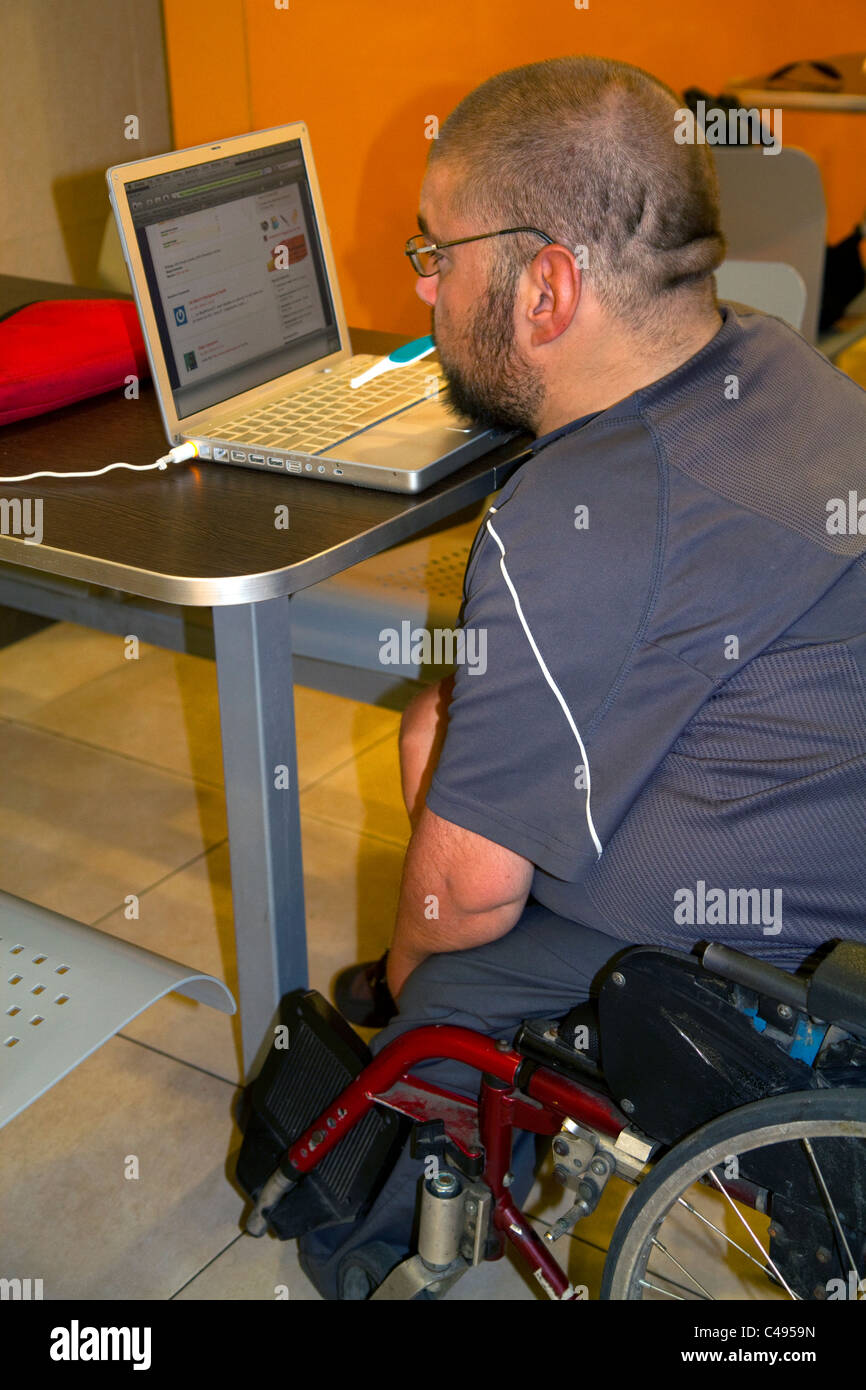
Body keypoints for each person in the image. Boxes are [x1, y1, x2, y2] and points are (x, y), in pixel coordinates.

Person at [299, 54, 866, 1300]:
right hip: (816, 798)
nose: (423, 286)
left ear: (544, 286)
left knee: (441, 977)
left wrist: (414, 995)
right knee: (441, 722)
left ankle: (384, 1230)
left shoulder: (579, 513)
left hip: (791, 953)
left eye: (432, 252)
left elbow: (462, 898)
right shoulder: (763, 356)